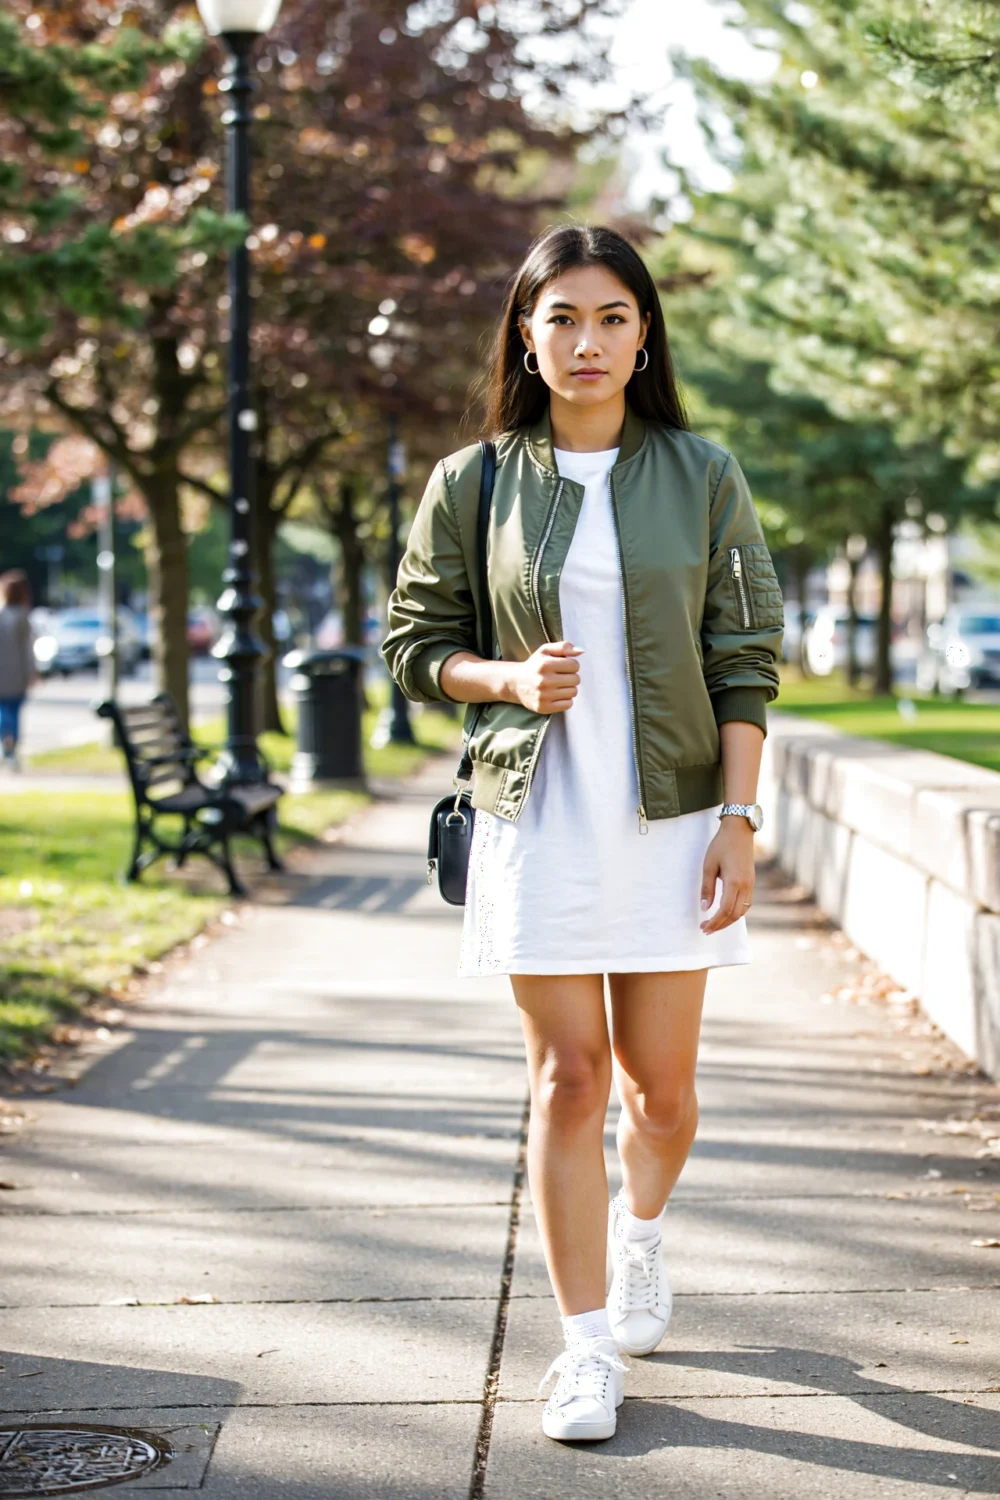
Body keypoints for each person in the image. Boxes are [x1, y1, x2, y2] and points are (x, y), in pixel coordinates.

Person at [382, 224, 783, 1443]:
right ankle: (583, 1345)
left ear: (643, 333)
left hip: (669, 824)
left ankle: (641, 1237)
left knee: (661, 1096)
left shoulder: (702, 471)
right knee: (569, 1079)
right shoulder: (474, 481)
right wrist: (504, 682)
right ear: (525, 332)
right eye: (562, 317)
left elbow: (744, 656)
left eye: (612, 317)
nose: (588, 340)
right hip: (538, 815)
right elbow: (411, 645)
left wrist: (738, 820)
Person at [0, 570, 36, 772]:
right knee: (12, 711)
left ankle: (6, 746)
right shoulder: (22, 617)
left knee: (3, 711)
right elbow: (27, 650)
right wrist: (32, 672)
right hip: (16, 674)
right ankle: (11, 747)